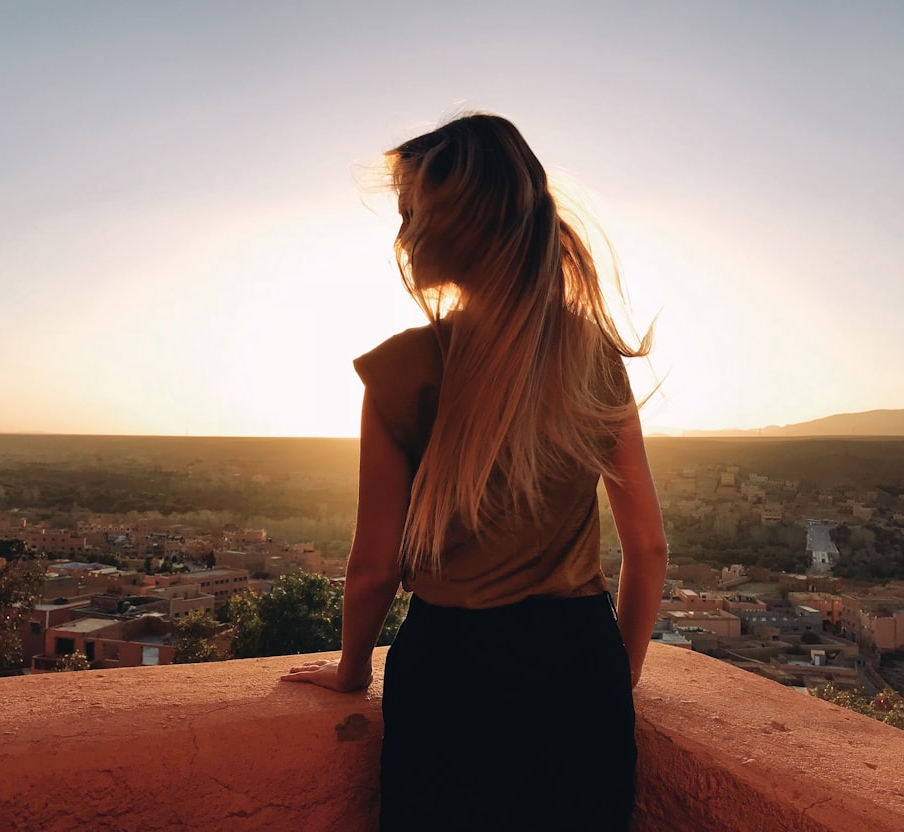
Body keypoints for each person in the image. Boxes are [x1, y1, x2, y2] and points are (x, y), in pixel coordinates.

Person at [282, 113, 668, 831]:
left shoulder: (402, 369)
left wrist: (350, 669)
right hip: (580, 665)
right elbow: (646, 549)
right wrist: (620, 671)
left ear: (446, 231)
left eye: (409, 213)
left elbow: (373, 568)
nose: (400, 232)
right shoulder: (593, 360)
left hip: (453, 673)